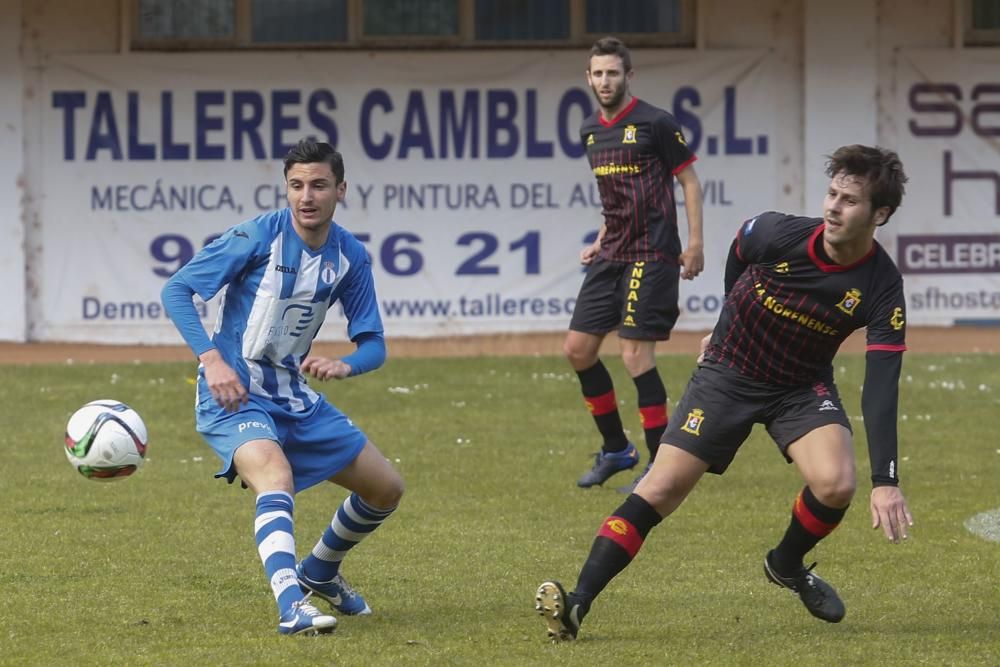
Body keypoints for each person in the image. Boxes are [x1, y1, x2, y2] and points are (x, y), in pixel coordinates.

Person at [536, 144, 914, 640]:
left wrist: (885, 479)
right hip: (728, 373)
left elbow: (881, 388)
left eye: (849, 201)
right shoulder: (777, 232)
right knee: (660, 488)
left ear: (879, 214)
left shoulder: (882, 286)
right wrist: (723, 325)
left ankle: (786, 563)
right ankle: (578, 604)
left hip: (800, 385)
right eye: (831, 193)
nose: (832, 207)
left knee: (837, 484)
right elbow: (740, 252)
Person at [162, 139, 403, 636]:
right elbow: (176, 290)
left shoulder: (349, 256)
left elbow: (374, 342)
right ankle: (292, 605)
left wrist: (346, 366)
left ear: (341, 190)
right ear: (286, 190)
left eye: (318, 185)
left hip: (293, 395)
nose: (306, 196)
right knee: (275, 475)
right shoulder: (258, 236)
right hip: (233, 395)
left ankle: (320, 570)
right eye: (296, 186)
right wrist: (211, 361)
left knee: (386, 489)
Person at [567, 36, 704, 493]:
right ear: (588, 78)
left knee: (633, 354)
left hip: (653, 251)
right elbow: (617, 198)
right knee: (578, 350)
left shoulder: (656, 123)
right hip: (613, 252)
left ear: (629, 75)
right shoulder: (590, 131)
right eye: (598, 73)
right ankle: (615, 450)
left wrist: (696, 244)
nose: (605, 81)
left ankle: (659, 466)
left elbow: (688, 181)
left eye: (613, 73)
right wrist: (600, 237)